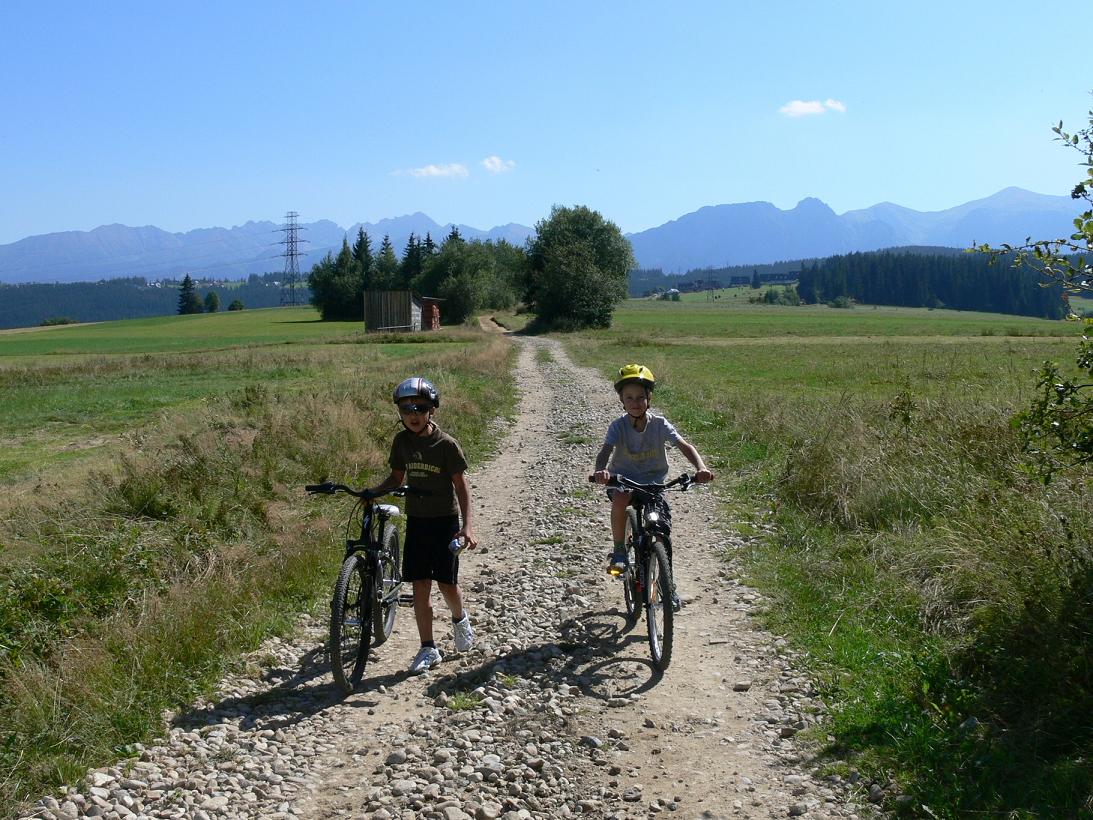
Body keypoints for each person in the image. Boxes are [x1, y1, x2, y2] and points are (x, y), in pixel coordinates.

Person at [367, 376, 477, 674]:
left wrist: (467, 527)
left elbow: (462, 487)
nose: (413, 415)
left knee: (447, 584)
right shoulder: (401, 442)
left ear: (432, 410)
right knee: (420, 587)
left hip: (444, 521)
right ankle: (428, 647)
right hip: (417, 521)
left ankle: (460, 619)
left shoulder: (446, 445)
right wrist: (372, 493)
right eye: (406, 409)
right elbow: (396, 478)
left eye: (420, 407)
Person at [590, 364, 714, 610]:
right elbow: (605, 451)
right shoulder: (618, 426)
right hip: (623, 478)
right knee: (621, 499)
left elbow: (684, 446)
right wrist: (600, 471)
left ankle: (668, 586)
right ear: (622, 401)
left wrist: (701, 468)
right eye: (629, 398)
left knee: (661, 531)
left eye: (640, 397)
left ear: (649, 398)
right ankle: (619, 551)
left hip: (654, 482)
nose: (635, 402)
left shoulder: (660, 424)